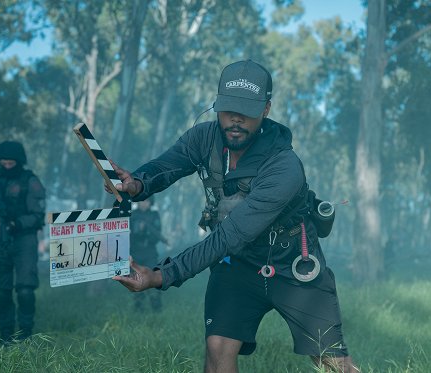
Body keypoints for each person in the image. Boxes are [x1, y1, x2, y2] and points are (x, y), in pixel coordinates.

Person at [110, 59, 359, 372]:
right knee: (217, 349)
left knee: (332, 361)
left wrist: (161, 275)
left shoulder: (285, 167)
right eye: (228, 110)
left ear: (266, 110)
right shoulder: (204, 138)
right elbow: (166, 166)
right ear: (217, 105)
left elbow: (230, 235)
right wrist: (138, 183)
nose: (236, 120)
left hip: (292, 262)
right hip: (237, 263)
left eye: (247, 111)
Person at [0, 141, 46, 343]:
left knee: (25, 290)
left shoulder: (30, 181)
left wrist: (17, 223)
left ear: (18, 162)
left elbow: (38, 215)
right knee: (1, 291)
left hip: (24, 240)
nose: (6, 167)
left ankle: (25, 335)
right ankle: (6, 335)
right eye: (3, 163)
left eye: (10, 163)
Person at [129, 196, 166, 311]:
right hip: (135, 252)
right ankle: (139, 306)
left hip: (150, 252)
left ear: (150, 202)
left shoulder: (154, 215)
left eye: (146, 201)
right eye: (141, 200)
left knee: (153, 278)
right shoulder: (132, 215)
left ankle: (156, 305)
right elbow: (128, 232)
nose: (143, 203)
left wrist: (147, 232)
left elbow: (157, 233)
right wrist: (138, 230)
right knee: (136, 279)